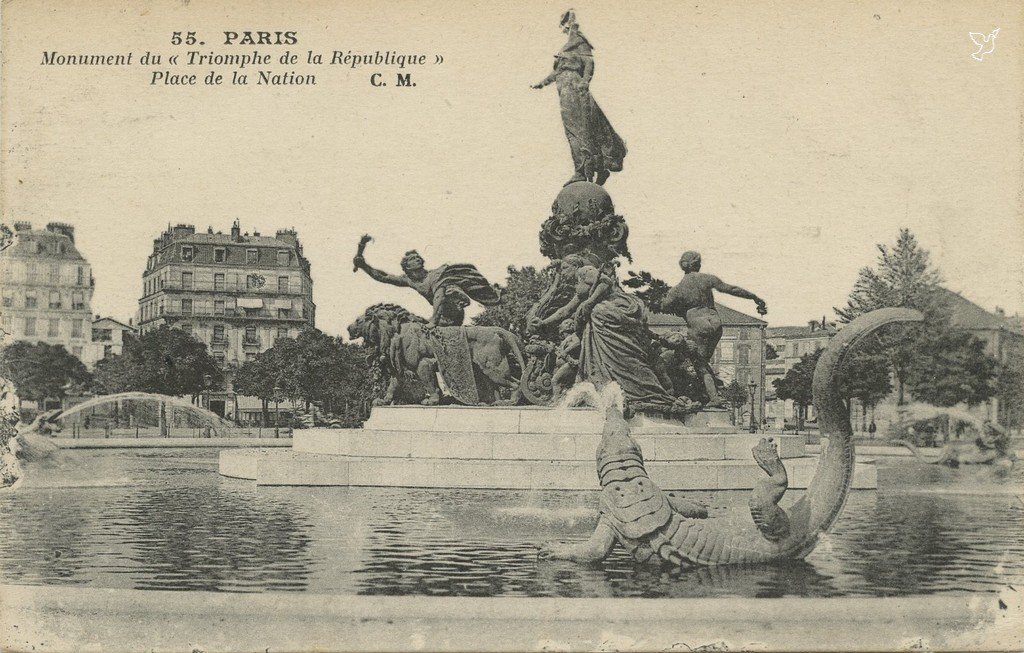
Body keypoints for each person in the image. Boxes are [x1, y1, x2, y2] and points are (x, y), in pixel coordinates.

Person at [528, 254, 694, 416]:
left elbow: (605, 282)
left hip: (614, 311)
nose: (563, 272)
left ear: (575, 266)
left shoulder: (586, 270)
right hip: (602, 323)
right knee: (612, 358)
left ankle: (643, 391)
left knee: (622, 355)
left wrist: (590, 301)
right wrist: (544, 323)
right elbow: (565, 310)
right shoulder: (579, 287)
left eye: (565, 268)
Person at [531, 10, 626, 186]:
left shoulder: (578, 41)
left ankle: (585, 170)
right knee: (572, 132)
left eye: (565, 24)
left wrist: (585, 81)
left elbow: (589, 63)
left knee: (582, 130)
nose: (564, 28)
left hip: (575, 89)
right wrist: (542, 83)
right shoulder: (567, 48)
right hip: (564, 91)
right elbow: (557, 72)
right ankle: (587, 169)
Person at [661, 251, 767, 407]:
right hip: (716, 324)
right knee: (703, 362)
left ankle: (713, 397)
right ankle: (712, 391)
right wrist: (755, 298)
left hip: (698, 325)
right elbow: (731, 289)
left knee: (700, 365)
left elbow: (664, 306)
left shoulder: (677, 289)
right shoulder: (707, 279)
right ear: (697, 264)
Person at [354, 248, 500, 327]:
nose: (417, 258)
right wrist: (364, 266)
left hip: (451, 311)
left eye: (418, 257)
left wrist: (433, 321)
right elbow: (383, 277)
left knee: (444, 290)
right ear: (406, 267)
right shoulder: (409, 280)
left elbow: (439, 296)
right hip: (442, 318)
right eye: (412, 259)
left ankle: (456, 299)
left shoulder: (436, 274)